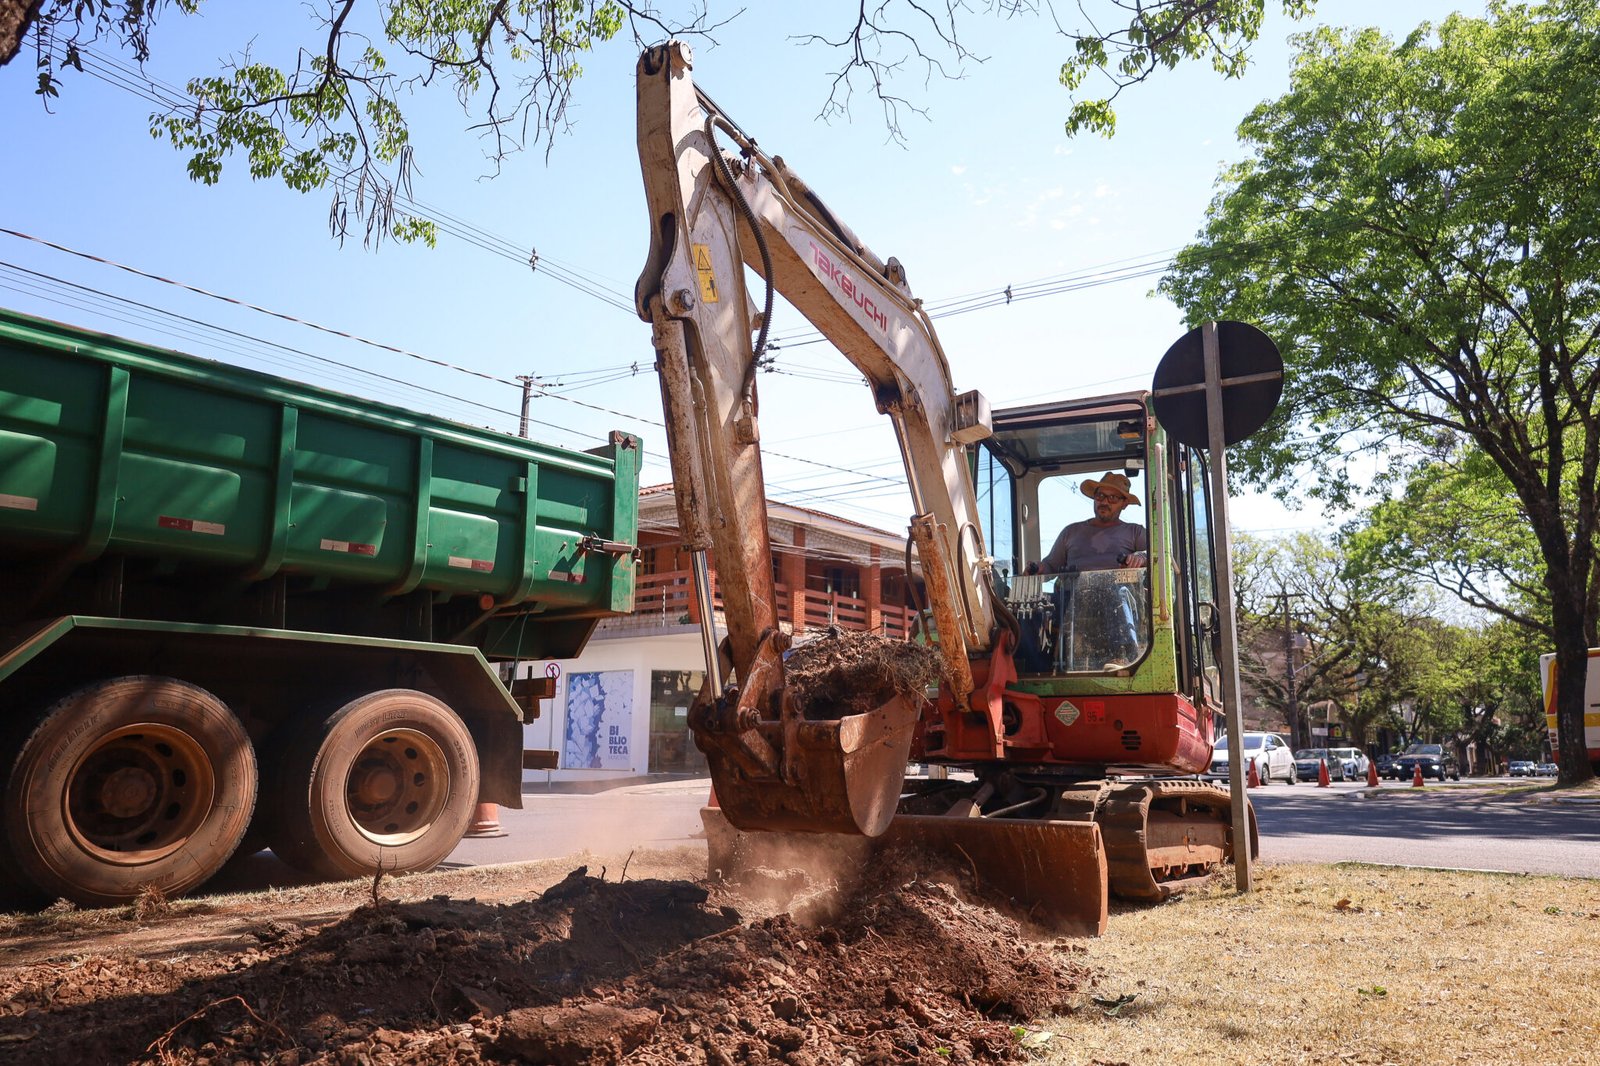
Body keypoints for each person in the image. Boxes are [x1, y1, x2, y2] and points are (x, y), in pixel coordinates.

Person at [1030, 472, 1148, 575]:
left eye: (1113, 498)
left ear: (1124, 504)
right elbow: (1050, 566)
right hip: (1074, 599)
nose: (1104, 502)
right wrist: (1038, 568)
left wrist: (1142, 557)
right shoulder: (1070, 532)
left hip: (1121, 600)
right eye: (1100, 496)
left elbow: (1158, 556)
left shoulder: (1135, 532)